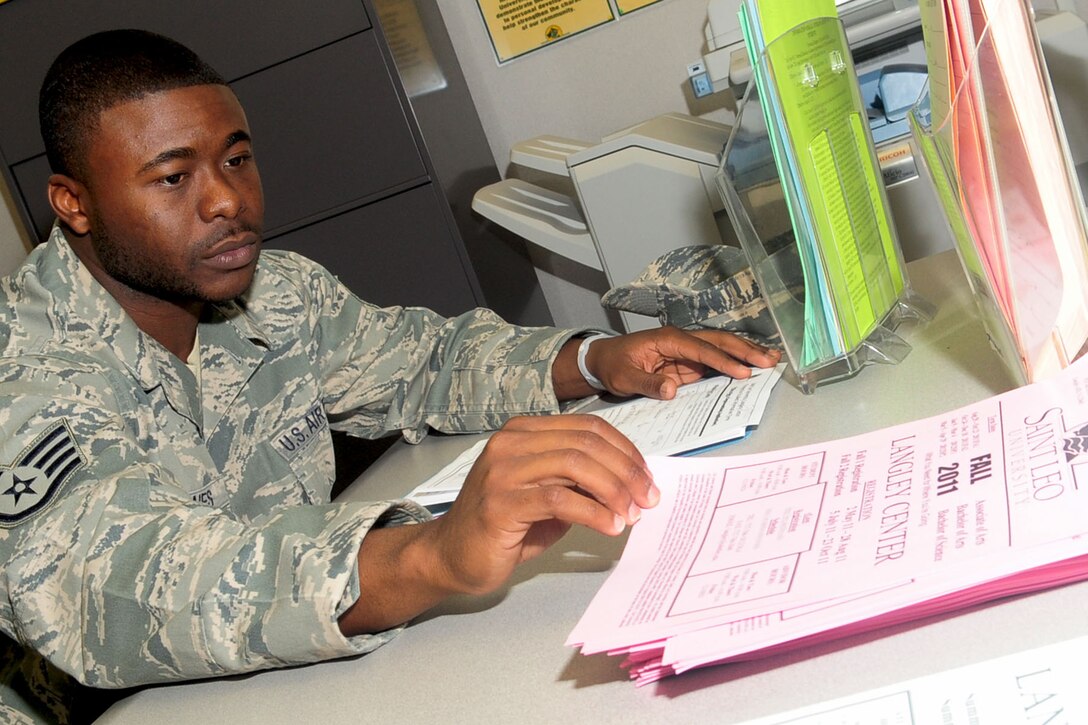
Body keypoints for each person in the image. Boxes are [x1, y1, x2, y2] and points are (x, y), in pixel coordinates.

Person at [0, 29, 780, 722]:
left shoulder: (271, 289)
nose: (228, 200)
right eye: (173, 179)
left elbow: (422, 362)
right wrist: (432, 551)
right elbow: (120, 581)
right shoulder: (24, 376)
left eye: (236, 158)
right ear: (74, 203)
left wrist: (590, 359)